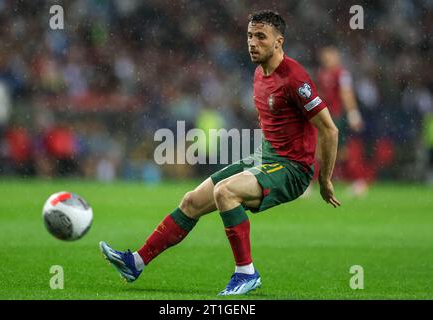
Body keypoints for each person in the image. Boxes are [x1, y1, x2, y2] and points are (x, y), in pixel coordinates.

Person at [99, 10, 340, 296]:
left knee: (225, 193)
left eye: (261, 37)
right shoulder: (258, 74)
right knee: (191, 201)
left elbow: (330, 130)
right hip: (266, 159)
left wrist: (324, 180)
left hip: (292, 169)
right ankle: (136, 262)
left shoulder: (294, 78)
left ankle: (246, 273)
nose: (252, 42)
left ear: (279, 42)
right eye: (250, 35)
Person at [316, 46, 367, 197]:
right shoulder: (322, 74)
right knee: (319, 150)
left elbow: (346, 94)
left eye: (330, 56)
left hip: (337, 117)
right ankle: (312, 183)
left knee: (342, 152)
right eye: (325, 56)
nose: (326, 59)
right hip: (324, 115)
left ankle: (358, 181)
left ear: (337, 57)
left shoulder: (342, 74)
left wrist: (353, 113)